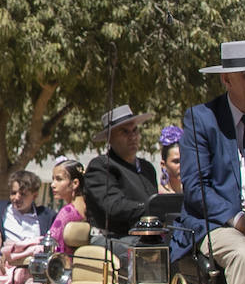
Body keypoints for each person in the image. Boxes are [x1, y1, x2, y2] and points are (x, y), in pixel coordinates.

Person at [173, 40, 245, 284]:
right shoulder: (201, 119)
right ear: (227, 80)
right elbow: (195, 188)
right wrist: (240, 221)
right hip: (216, 225)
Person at [83, 104, 158, 243]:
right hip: (110, 239)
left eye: (135, 131)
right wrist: (150, 208)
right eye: (125, 132)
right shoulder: (101, 166)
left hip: (147, 236)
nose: (132, 137)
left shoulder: (147, 168)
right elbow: (114, 206)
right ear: (109, 138)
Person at [0, 170, 57, 245]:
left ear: (34, 196)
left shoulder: (47, 217)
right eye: (13, 193)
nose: (17, 198)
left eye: (23, 194)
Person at [47, 158, 89, 255]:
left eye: (59, 179)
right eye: (53, 179)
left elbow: (51, 243)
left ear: (75, 183)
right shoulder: (88, 208)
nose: (53, 185)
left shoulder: (68, 212)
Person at [159, 125, 183, 194]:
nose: (181, 165)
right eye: (176, 161)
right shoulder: (157, 195)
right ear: (163, 165)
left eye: (184, 160)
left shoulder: (192, 193)